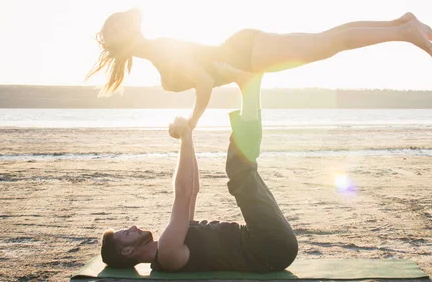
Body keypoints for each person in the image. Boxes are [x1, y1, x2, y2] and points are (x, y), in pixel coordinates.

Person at [87, 10, 432, 132]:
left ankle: (401, 31)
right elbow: (209, 75)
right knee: (328, 40)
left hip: (246, 52)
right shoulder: (157, 51)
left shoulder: (161, 50)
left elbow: (206, 82)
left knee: (331, 44)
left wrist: (192, 123)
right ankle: (401, 23)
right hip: (245, 51)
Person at [100, 74, 298, 272]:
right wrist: (184, 135)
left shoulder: (172, 240)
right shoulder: (168, 252)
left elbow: (192, 190)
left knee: (244, 170)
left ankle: (251, 86)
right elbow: (183, 193)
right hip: (269, 247)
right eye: (127, 233)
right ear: (127, 251)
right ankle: (250, 86)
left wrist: (188, 136)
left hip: (269, 243)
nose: (133, 227)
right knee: (240, 170)